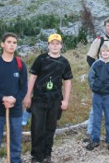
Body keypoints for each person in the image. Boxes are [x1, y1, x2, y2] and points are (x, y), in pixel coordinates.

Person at [23, 34, 73, 163]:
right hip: (39, 99)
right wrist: (28, 96)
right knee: (37, 128)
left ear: (61, 45)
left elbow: (67, 81)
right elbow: (33, 77)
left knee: (50, 128)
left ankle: (47, 154)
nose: (55, 46)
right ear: (48, 45)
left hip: (55, 99)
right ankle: (36, 156)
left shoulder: (64, 62)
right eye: (52, 43)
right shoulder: (40, 59)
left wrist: (66, 100)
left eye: (58, 43)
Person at [0, 32, 28, 163]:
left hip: (15, 111)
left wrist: (14, 99)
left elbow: (23, 88)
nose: (12, 45)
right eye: (9, 42)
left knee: (16, 144)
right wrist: (3, 98)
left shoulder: (20, 64)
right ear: (2, 44)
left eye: (14, 43)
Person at [86, 42, 109, 151]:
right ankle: (95, 140)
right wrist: (94, 88)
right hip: (97, 95)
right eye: (103, 51)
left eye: (107, 51)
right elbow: (90, 77)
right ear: (101, 52)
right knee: (96, 118)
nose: (105, 53)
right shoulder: (96, 64)